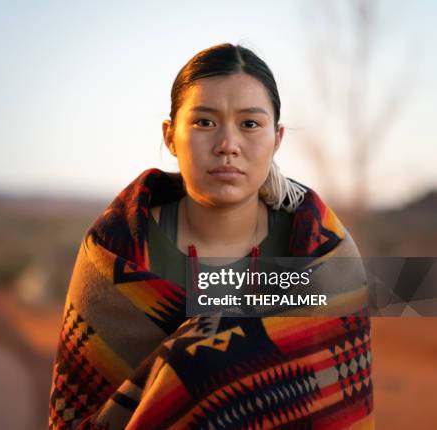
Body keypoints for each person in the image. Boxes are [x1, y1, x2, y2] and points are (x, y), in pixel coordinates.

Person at [49, 43, 373, 429]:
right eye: (204, 122)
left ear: (278, 139)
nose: (227, 146)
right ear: (170, 136)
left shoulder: (322, 256)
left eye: (250, 124)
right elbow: (77, 415)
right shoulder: (115, 252)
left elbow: (338, 406)